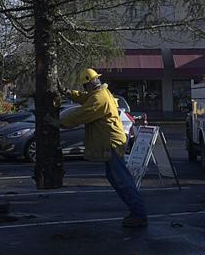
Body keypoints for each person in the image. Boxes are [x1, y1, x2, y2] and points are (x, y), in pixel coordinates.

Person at [60, 68, 147, 227]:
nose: (85, 89)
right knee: (115, 177)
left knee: (121, 179)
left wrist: (58, 122)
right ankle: (137, 212)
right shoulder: (99, 93)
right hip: (113, 141)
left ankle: (139, 214)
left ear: (88, 85)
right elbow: (85, 98)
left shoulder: (99, 98)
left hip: (111, 143)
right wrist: (68, 92)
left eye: (84, 86)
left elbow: (81, 114)